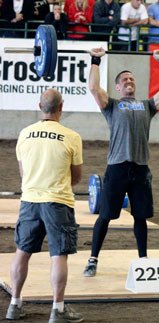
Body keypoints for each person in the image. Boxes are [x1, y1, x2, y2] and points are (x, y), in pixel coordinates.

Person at [82, 47, 159, 277]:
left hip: (141, 169)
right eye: (124, 79)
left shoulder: (147, 106)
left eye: (132, 78)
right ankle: (93, 259)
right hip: (117, 167)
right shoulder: (112, 105)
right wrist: (95, 60)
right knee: (105, 216)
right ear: (117, 87)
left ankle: (143, 260)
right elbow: (93, 87)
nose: (129, 81)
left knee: (140, 217)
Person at [5, 89, 84, 323]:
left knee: (22, 252)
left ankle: (14, 305)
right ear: (62, 107)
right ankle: (58, 310)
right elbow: (76, 177)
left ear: (40, 106)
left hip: (29, 201)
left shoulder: (25, 133)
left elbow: (23, 173)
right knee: (59, 255)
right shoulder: (71, 136)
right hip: (57, 202)